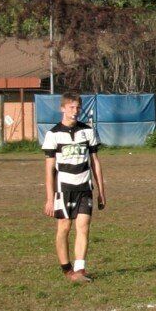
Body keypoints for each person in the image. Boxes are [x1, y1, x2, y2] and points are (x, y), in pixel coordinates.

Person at [41, 93, 107, 282]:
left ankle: (80, 269)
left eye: (78, 107)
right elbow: (49, 170)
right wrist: (49, 198)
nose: (75, 111)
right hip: (64, 190)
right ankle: (67, 268)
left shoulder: (87, 131)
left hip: (85, 188)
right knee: (64, 227)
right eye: (71, 107)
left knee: (84, 227)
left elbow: (95, 162)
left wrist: (101, 192)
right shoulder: (53, 134)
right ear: (62, 109)